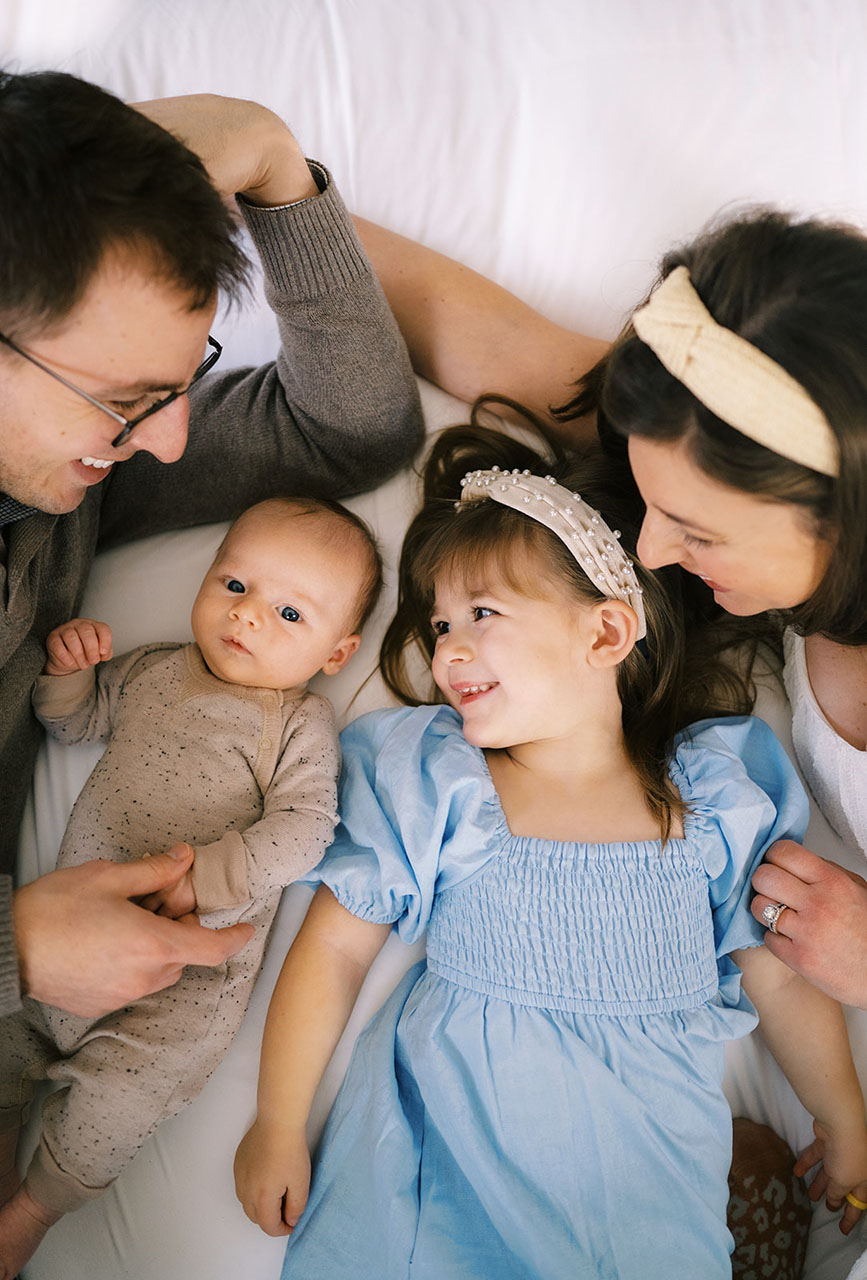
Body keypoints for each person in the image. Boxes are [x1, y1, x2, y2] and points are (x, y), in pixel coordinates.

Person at [234, 423, 867, 1279]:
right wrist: (278, 1121)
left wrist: (843, 1119)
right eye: (440, 622)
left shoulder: (711, 804)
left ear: (605, 635)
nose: (448, 646)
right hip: (452, 1174)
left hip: (648, 1192)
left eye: (482, 614)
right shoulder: (442, 784)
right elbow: (336, 947)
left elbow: (780, 970)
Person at [354, 208, 867, 1009]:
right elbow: (466, 327)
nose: (653, 552)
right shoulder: (713, 420)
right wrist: (270, 187)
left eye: (697, 532)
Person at [0, 70, 423, 1024]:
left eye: (184, 379)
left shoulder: (67, 480)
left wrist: (277, 168)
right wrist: (17, 949)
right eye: (127, 398)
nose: (170, 440)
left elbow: (351, 429)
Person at [0, 493, 380, 1274]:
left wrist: (208, 878)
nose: (247, 618)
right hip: (66, 937)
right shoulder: (157, 668)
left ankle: (33, 1212)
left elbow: (306, 829)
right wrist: (68, 675)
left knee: (118, 1105)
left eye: (289, 614)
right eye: (234, 586)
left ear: (337, 655)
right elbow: (73, 724)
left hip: (181, 988)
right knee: (7, 1041)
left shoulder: (296, 724)